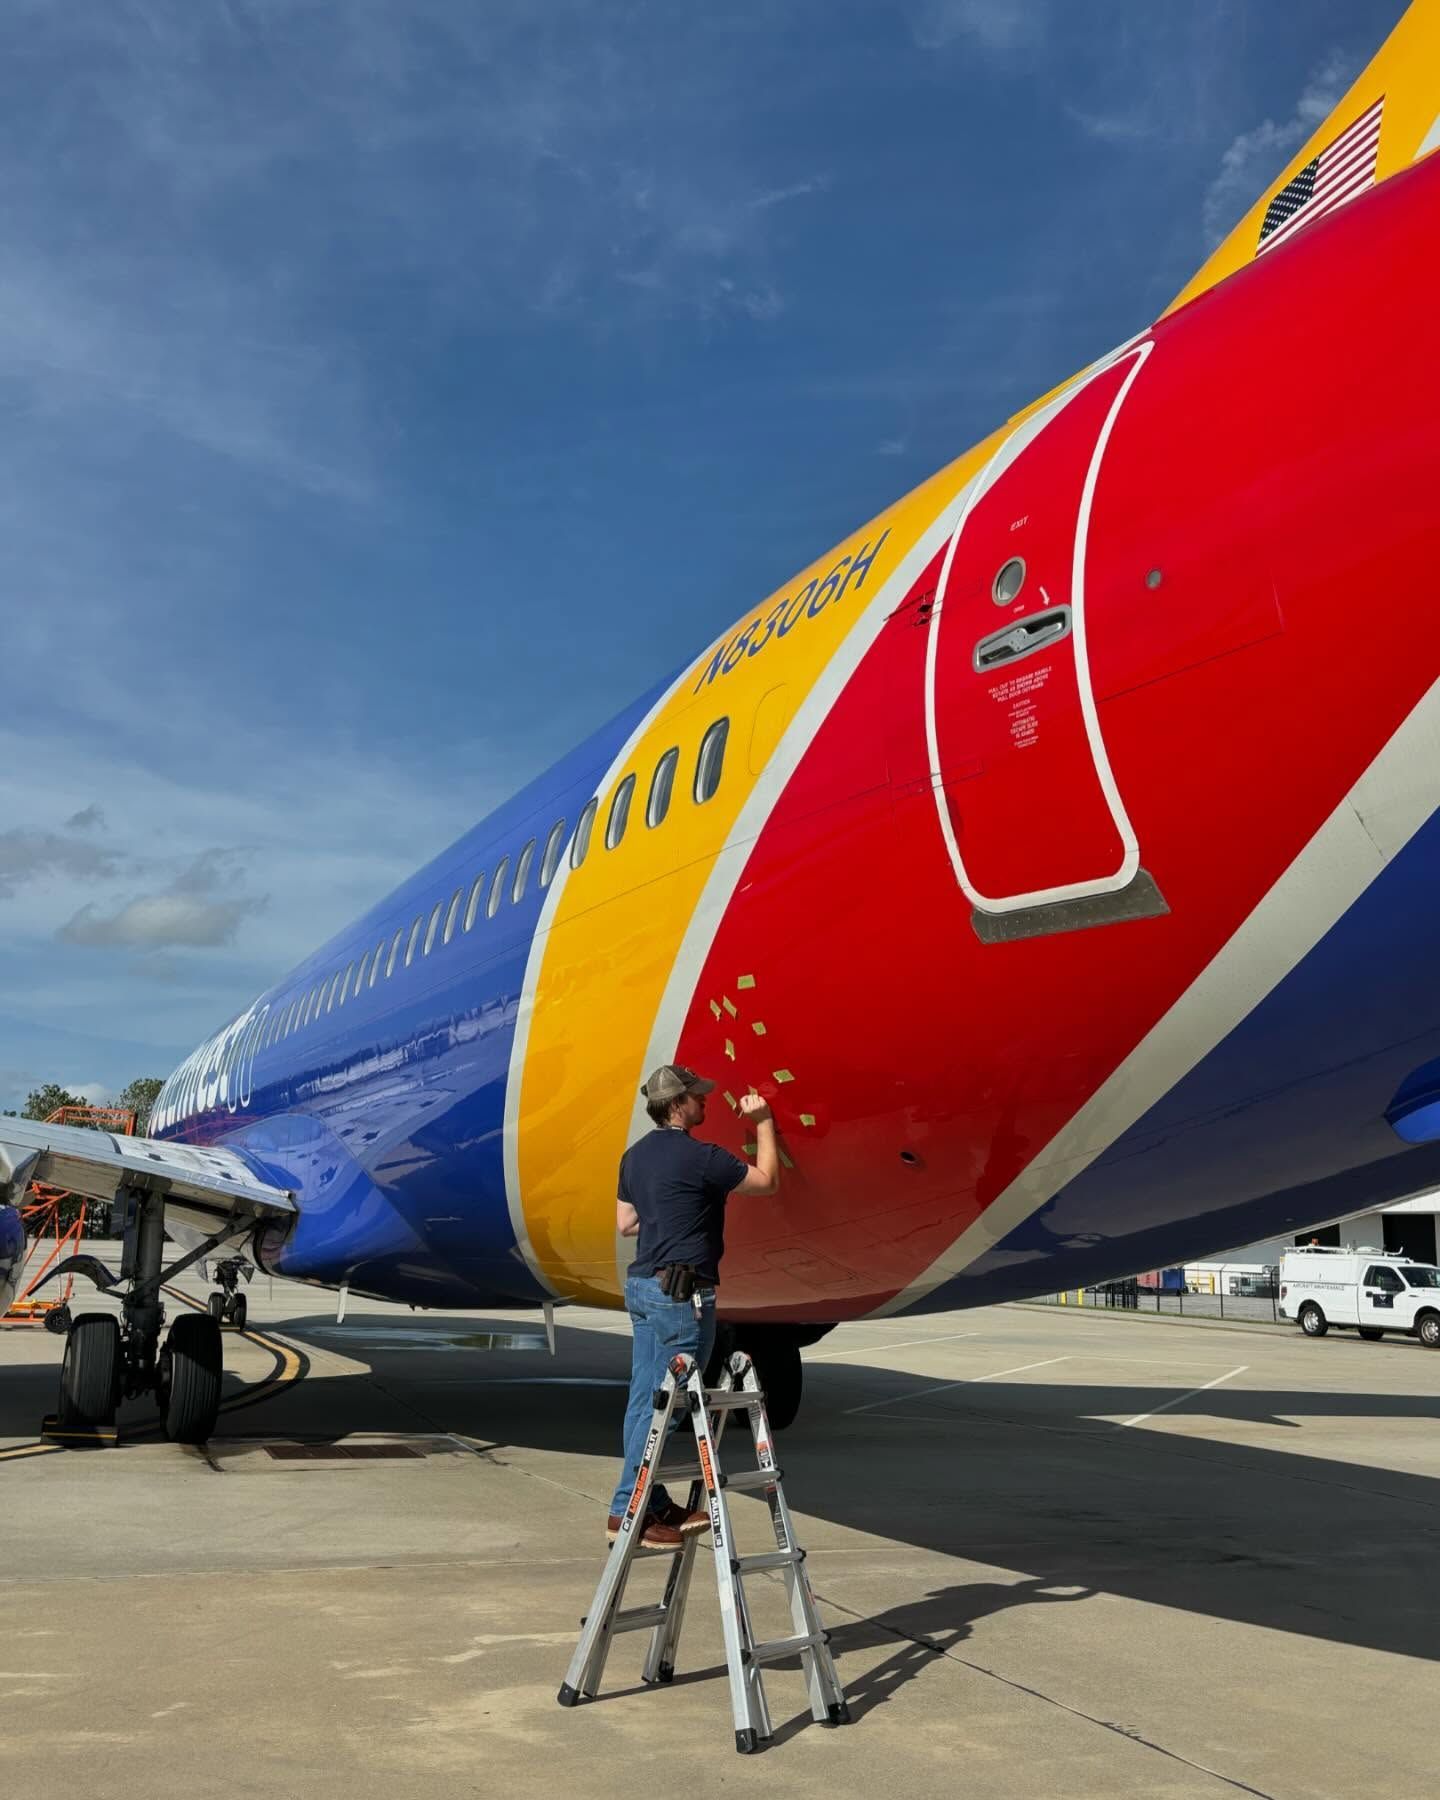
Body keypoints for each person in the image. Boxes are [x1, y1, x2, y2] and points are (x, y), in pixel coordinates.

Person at [606, 1063, 779, 1547]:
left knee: (644, 1402)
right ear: (678, 1104)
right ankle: (630, 1510)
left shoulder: (633, 1157)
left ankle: (647, 1503)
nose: (705, 1102)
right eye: (698, 1097)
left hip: (642, 1285)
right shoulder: (703, 1158)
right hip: (681, 1295)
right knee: (672, 1403)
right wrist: (763, 1120)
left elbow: (626, 1223)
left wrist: (672, 1215)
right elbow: (766, 1181)